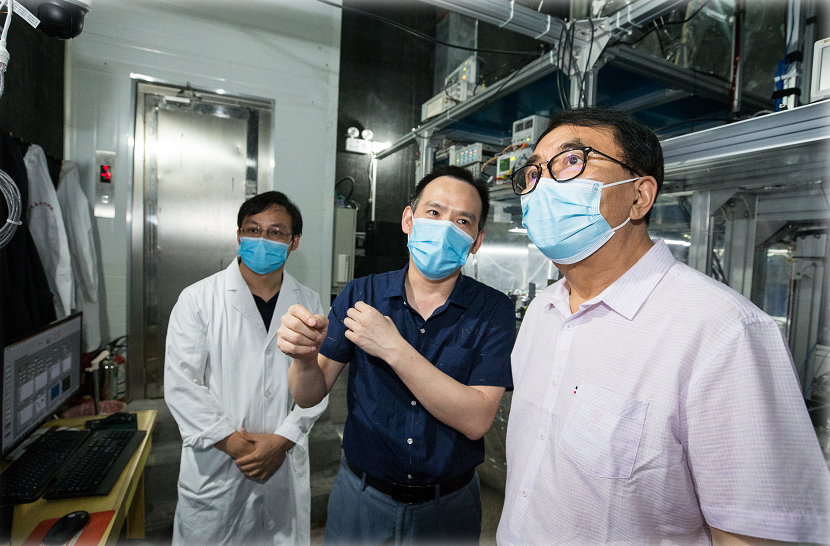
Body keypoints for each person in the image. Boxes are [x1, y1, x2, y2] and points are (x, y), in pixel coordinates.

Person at [497, 107, 830, 545]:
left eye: (572, 160)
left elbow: (753, 534)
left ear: (639, 196)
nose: (541, 186)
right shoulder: (543, 311)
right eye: (534, 172)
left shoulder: (724, 333)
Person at [277, 165, 515, 545]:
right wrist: (303, 357)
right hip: (361, 501)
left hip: (448, 509)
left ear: (476, 241)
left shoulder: (493, 311)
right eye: (434, 212)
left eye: (463, 221)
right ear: (408, 220)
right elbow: (308, 394)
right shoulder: (361, 295)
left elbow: (476, 419)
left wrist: (393, 348)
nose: (445, 228)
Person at [164, 191, 328, 546]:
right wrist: (237, 445)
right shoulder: (198, 299)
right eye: (253, 229)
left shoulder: (309, 301)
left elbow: (319, 383)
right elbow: (181, 385)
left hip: (282, 460)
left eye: (275, 232)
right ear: (239, 235)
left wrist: (281, 442)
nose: (262, 239)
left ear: (294, 242)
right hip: (219, 464)